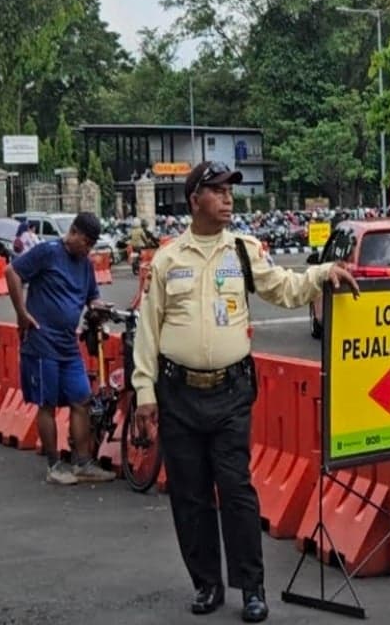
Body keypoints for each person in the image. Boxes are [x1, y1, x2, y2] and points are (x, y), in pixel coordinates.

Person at [132, 160, 359, 622]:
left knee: (236, 490)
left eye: (230, 190)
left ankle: (251, 588)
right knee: (190, 494)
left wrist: (322, 273)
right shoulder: (168, 259)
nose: (228, 198)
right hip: (177, 393)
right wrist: (143, 393)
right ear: (195, 199)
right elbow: (147, 330)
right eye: (217, 190)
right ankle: (206, 584)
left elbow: (284, 288)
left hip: (231, 393)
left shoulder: (243, 251)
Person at [4, 212, 115, 486]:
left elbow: (92, 297)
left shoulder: (85, 265)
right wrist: (21, 312)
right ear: (74, 233)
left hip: (67, 342)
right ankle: (54, 464)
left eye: (91, 244)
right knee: (48, 404)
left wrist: (101, 309)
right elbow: (12, 272)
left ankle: (81, 462)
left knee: (82, 398)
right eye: (85, 242)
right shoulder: (48, 252)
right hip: (41, 341)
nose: (87, 248)